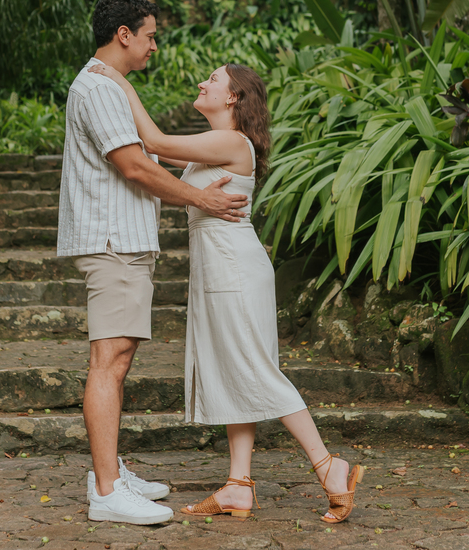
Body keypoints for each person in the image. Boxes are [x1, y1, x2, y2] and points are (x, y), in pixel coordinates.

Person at [88, 60, 363, 524]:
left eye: (213, 79)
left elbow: (153, 142)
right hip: (222, 270)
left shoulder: (232, 142)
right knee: (239, 372)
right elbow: (149, 158)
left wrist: (118, 79)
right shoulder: (210, 149)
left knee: (256, 369)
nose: (202, 82)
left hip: (233, 271)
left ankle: (328, 466)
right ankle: (238, 485)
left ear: (233, 97)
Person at [58, 0, 250, 526]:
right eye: (150, 35)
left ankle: (110, 469)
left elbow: (151, 149)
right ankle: (106, 490)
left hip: (124, 240)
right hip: (113, 241)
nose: (154, 46)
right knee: (109, 361)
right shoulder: (97, 88)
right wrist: (203, 198)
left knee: (118, 359)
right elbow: (136, 167)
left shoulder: (107, 85)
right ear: (125, 34)